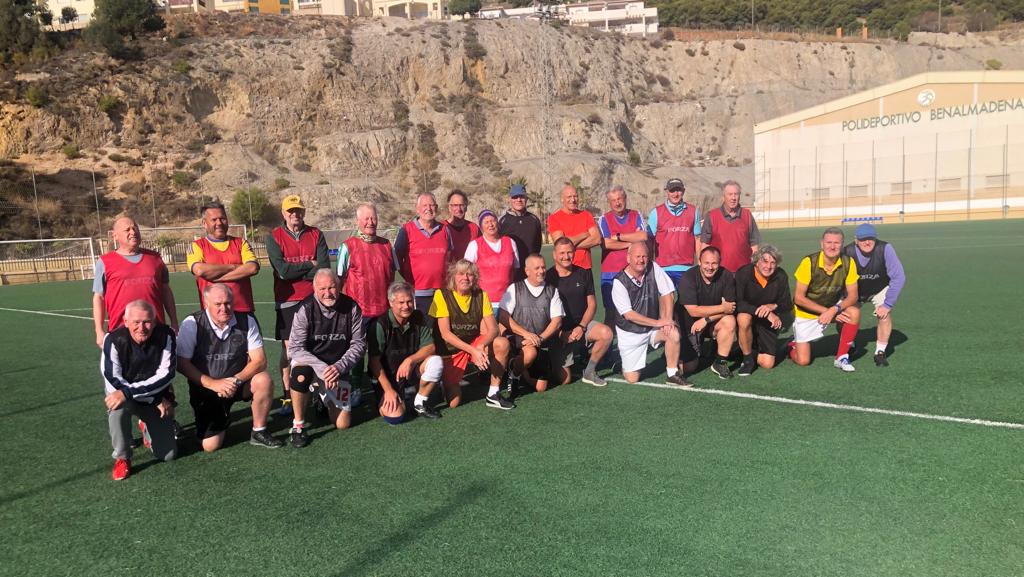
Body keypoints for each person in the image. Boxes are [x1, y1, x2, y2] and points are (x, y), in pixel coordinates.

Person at [177, 283, 283, 452]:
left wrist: (235, 380)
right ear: (206, 304)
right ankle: (214, 422)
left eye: (227, 303)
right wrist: (213, 384)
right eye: (218, 304)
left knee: (263, 380)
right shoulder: (193, 323)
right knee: (211, 446)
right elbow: (182, 363)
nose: (224, 308)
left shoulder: (247, 320)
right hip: (207, 388)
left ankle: (259, 431)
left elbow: (260, 361)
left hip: (237, 383)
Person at [286, 270, 367, 446]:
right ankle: (298, 426)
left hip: (337, 367)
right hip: (312, 364)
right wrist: (323, 369)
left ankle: (321, 399)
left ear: (339, 286)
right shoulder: (305, 309)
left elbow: (359, 345)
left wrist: (338, 367)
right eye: (322, 289)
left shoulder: (352, 307)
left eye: (331, 287)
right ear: (314, 289)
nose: (327, 293)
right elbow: (295, 348)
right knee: (300, 375)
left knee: (342, 424)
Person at [265, 194, 330, 412]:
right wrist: (309, 264)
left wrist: (303, 270)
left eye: (299, 210)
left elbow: (323, 269)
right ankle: (288, 395)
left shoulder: (316, 234)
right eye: (291, 210)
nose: (295, 214)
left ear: (304, 212)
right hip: (287, 300)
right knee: (290, 350)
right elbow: (283, 272)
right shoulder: (274, 237)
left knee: (316, 345)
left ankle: (316, 391)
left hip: (314, 298)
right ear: (283, 213)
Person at [101, 300, 177, 481]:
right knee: (116, 404)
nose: (141, 328)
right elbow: (113, 379)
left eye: (147, 322)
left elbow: (166, 375)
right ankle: (122, 457)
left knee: (168, 455)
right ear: (126, 322)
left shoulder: (166, 335)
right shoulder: (113, 340)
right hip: (134, 397)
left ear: (155, 321)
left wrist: (153, 398)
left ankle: (146, 427)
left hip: (152, 396)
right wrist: (152, 398)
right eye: (136, 322)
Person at [430, 259, 514, 410]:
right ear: (453, 276)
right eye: (461, 274)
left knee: (502, 343)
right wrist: (473, 350)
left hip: (474, 344)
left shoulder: (481, 295)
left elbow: (493, 329)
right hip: (451, 349)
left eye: (470, 274)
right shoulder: (441, 295)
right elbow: (446, 334)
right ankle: (443, 381)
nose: (465, 278)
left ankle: (493, 394)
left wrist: (480, 346)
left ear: (475, 277)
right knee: (454, 402)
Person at [93, 216, 179, 348]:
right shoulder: (105, 262)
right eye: (127, 230)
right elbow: (99, 297)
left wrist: (174, 322)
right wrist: (99, 331)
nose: (133, 232)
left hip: (155, 329)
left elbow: (166, 291)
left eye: (135, 228)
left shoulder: (155, 258)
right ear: (115, 236)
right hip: (120, 331)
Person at [611, 242, 688, 386]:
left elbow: (667, 292)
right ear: (628, 258)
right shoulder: (619, 282)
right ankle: (622, 365)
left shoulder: (653, 267)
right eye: (637, 256)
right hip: (631, 332)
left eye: (644, 256)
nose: (641, 260)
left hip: (651, 328)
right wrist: (659, 322)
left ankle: (672, 374)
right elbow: (629, 315)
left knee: (673, 333)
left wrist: (667, 319)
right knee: (632, 379)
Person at [369, 282, 445, 420]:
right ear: (391, 303)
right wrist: (388, 390)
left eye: (409, 301)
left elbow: (430, 347)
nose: (406, 306)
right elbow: (374, 362)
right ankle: (386, 398)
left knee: (436, 361)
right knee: (395, 417)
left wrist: (410, 360)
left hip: (410, 370)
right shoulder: (380, 324)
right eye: (401, 302)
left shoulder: (417, 316)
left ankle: (419, 402)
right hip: (389, 376)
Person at [545, 237, 614, 387]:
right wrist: (559, 333)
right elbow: (544, 313)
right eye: (562, 253)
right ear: (554, 255)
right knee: (564, 380)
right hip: (559, 333)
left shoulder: (583, 273)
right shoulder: (548, 278)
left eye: (569, 252)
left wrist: (581, 327)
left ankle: (589, 372)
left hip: (581, 327)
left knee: (606, 333)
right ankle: (549, 358)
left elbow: (592, 304)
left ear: (574, 253)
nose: (566, 256)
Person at [791, 227, 861, 372]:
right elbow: (798, 298)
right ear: (822, 244)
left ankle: (841, 357)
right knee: (803, 361)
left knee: (854, 312)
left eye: (837, 243)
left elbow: (853, 296)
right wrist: (826, 311)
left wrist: (834, 310)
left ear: (842, 245)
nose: (832, 246)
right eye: (829, 242)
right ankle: (792, 345)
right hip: (806, 313)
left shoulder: (849, 262)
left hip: (832, 309)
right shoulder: (809, 262)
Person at [843, 223, 906, 367]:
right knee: (846, 316)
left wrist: (887, 304)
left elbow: (898, 277)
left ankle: (880, 352)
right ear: (856, 240)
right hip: (855, 291)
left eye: (870, 238)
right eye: (863, 239)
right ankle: (849, 345)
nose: (867, 242)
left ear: (875, 239)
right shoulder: (846, 252)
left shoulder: (885, 248)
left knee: (884, 315)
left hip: (879, 288)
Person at [499, 254, 563, 393]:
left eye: (543, 267)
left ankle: (520, 370)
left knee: (541, 387)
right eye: (537, 268)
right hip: (519, 341)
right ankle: (514, 372)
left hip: (540, 342)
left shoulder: (552, 291)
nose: (541, 271)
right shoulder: (515, 288)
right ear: (527, 271)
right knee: (530, 353)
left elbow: (557, 321)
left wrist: (539, 338)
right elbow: (503, 316)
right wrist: (526, 334)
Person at [187, 202, 259, 314]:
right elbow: (200, 270)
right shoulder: (197, 246)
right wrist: (234, 267)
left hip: (243, 310)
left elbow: (252, 268)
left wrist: (215, 277)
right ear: (204, 223)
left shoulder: (241, 243)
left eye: (222, 219)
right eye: (214, 220)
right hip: (213, 314)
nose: (219, 223)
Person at [678, 246, 738, 380]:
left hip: (709, 322)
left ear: (720, 262)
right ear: (699, 261)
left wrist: (706, 319)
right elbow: (693, 311)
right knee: (689, 367)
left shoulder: (727, 276)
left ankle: (720, 363)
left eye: (714, 263)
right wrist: (722, 308)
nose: (710, 267)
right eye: (706, 263)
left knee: (729, 321)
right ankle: (674, 350)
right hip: (688, 324)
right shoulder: (688, 277)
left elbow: (730, 308)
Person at [734, 245, 792, 376]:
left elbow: (787, 303)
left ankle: (744, 349)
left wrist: (773, 306)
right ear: (757, 261)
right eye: (765, 261)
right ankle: (747, 360)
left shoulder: (781, 275)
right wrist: (766, 313)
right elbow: (738, 303)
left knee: (767, 363)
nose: (768, 266)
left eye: (773, 262)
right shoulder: (744, 273)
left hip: (767, 323)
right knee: (743, 317)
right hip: (749, 317)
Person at [338, 202, 397, 324]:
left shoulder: (387, 245)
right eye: (366, 219)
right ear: (358, 221)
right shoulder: (347, 247)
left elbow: (392, 276)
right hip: (358, 314)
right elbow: (340, 279)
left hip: (384, 313)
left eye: (373, 218)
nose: (370, 222)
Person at [598, 185, 649, 325]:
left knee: (635, 311)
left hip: (633, 271)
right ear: (609, 202)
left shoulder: (636, 215)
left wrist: (618, 237)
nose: (617, 203)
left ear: (625, 198)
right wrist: (630, 243)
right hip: (610, 273)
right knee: (611, 313)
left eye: (620, 199)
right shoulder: (604, 219)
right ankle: (609, 339)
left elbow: (643, 236)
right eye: (613, 200)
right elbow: (606, 243)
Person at [394, 193, 453, 312]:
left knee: (442, 324)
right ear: (417, 209)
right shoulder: (406, 230)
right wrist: (409, 276)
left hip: (441, 293)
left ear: (436, 207)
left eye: (432, 205)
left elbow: (450, 258)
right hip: (417, 294)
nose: (428, 208)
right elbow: (397, 259)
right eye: (424, 205)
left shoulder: (445, 230)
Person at [647, 177, 701, 286]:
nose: (675, 194)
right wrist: (650, 265)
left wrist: (700, 263)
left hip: (687, 268)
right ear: (667, 192)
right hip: (663, 269)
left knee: (686, 297)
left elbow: (698, 239)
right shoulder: (656, 213)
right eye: (672, 191)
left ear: (683, 191)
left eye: (678, 190)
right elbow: (649, 241)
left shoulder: (693, 211)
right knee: (666, 298)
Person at [699, 180, 761, 272]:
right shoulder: (712, 216)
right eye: (730, 194)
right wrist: (702, 266)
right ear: (723, 196)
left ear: (739, 196)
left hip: (744, 271)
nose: (733, 198)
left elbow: (754, 244)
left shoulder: (747, 215)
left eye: (736, 194)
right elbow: (705, 244)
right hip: (718, 271)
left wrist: (755, 266)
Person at [464, 209, 519, 308]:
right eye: (486, 222)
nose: (490, 224)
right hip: (484, 302)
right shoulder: (474, 245)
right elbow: (466, 272)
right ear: (481, 227)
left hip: (508, 301)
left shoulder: (510, 242)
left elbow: (515, 269)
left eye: (493, 221)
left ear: (497, 223)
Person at [547, 183, 600, 270]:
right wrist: (584, 235)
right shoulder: (554, 218)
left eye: (575, 196)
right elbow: (560, 244)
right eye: (569, 197)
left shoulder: (586, 215)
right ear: (562, 199)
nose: (573, 200)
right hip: (565, 269)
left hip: (585, 268)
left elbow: (597, 239)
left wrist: (569, 246)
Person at [498, 184, 543, 274]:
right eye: (515, 197)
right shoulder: (503, 221)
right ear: (510, 199)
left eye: (521, 196)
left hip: (531, 269)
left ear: (526, 198)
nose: (519, 200)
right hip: (511, 270)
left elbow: (537, 244)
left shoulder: (534, 219)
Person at [445, 190, 481, 259]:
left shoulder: (474, 228)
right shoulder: (442, 229)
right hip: (450, 266)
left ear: (466, 207)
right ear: (449, 207)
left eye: (462, 205)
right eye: (455, 205)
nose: (458, 209)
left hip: (470, 266)